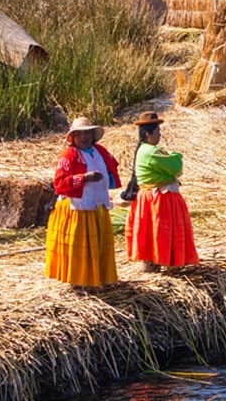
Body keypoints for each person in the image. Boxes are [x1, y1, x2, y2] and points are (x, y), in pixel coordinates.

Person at [45, 117, 121, 286]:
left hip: (97, 205)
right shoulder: (69, 155)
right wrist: (84, 178)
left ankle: (97, 277)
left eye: (88, 133)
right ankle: (78, 280)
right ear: (73, 137)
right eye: (80, 134)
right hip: (77, 207)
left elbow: (112, 170)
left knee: (97, 244)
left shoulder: (100, 152)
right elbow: (59, 183)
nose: (84, 138)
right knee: (80, 246)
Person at [125, 111, 199, 271]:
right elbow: (176, 166)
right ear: (148, 134)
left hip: (149, 196)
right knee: (160, 232)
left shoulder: (144, 150)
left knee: (151, 232)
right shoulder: (151, 152)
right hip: (157, 199)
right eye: (158, 131)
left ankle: (153, 264)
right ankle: (166, 263)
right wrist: (175, 156)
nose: (160, 134)